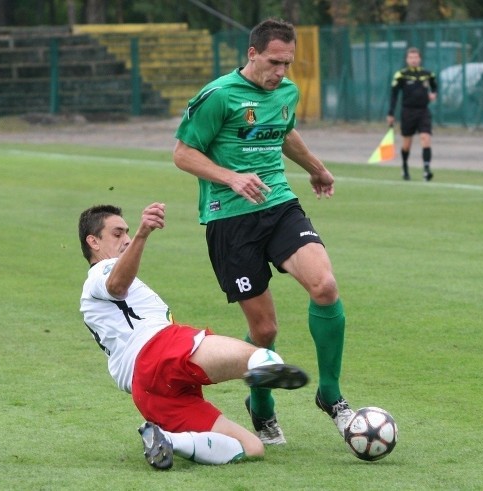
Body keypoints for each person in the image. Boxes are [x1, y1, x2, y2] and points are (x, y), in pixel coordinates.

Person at [172, 18, 353, 445]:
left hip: (279, 205)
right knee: (265, 330)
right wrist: (231, 177)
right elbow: (182, 153)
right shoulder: (218, 96)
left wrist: (317, 169)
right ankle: (263, 405)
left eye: (287, 63)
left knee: (325, 286)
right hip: (228, 219)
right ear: (252, 53)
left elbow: (283, 132)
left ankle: (330, 395)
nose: (281, 72)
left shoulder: (286, 92)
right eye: (274, 62)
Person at [78, 202, 309, 470]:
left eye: (128, 232)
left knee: (252, 448)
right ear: (93, 241)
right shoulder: (100, 273)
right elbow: (116, 285)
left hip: (150, 392)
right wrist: (143, 234)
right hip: (158, 350)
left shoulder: (97, 288)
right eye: (118, 234)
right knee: (260, 356)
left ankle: (169, 441)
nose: (126, 239)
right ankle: (262, 371)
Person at [387, 46, 437, 181]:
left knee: (426, 138)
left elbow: (434, 85)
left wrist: (433, 93)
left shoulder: (427, 74)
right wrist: (391, 113)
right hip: (408, 112)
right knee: (406, 144)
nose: (414, 60)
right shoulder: (401, 75)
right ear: (407, 60)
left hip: (423, 111)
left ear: (420, 59)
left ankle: (426, 169)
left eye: (416, 57)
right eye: (411, 58)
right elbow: (394, 95)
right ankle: (404, 166)